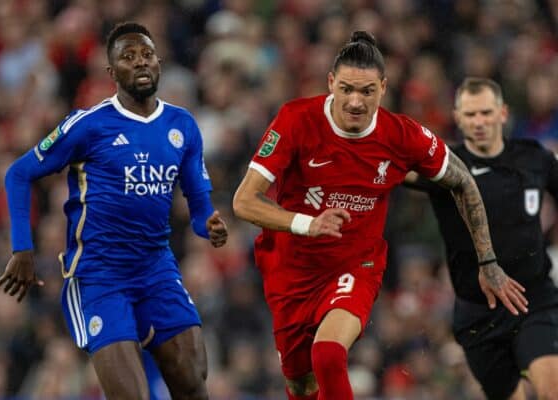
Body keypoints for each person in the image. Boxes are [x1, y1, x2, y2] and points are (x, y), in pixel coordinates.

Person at [232, 31, 528, 400]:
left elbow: (463, 181)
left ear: (383, 88)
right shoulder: (296, 119)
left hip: (355, 266)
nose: (356, 101)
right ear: (331, 84)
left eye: (367, 91)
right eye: (347, 89)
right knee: (300, 385)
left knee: (327, 353)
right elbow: (244, 202)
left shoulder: (401, 135)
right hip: (290, 271)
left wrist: (488, 260)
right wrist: (309, 224)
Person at [0, 22, 228, 400]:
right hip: (100, 275)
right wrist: (22, 248)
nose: (140, 63)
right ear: (112, 72)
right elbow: (19, 173)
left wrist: (210, 226)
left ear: (159, 62)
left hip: (156, 268)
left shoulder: (182, 125)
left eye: (147, 55)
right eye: (128, 56)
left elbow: (200, 208)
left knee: (193, 380)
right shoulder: (89, 125)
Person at [406, 77, 558, 400]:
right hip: (478, 312)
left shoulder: (534, 158)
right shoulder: (444, 167)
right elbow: (392, 170)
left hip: (534, 299)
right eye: (470, 115)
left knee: (552, 389)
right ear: (458, 118)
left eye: (486, 113)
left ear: (503, 113)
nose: (479, 122)